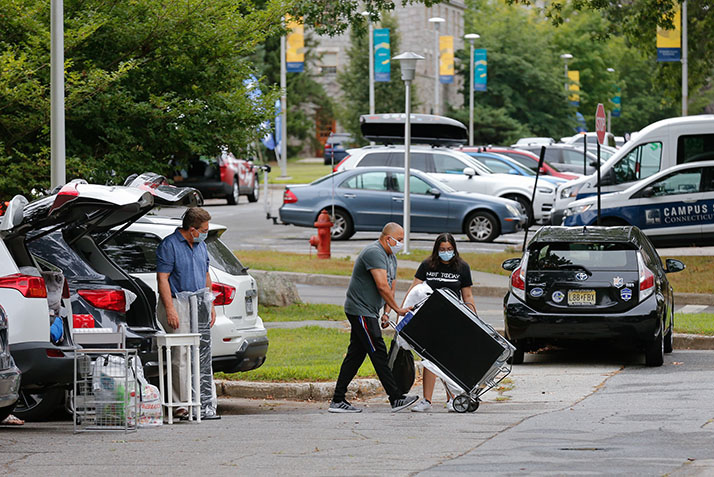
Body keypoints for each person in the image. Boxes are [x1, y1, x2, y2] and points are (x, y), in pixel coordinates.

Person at [329, 223, 419, 413]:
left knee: (355, 355)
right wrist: (399, 310)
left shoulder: (391, 257)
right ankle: (395, 398)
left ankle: (338, 400)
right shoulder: (374, 252)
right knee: (378, 351)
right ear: (389, 239)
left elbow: (391, 287)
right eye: (399, 240)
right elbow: (381, 286)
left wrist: (387, 312)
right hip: (359, 311)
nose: (400, 244)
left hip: (370, 311)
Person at [402, 233, 477, 413]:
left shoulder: (462, 267)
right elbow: (414, 289)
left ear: (454, 249)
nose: (446, 252)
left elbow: (467, 295)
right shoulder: (427, 266)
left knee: (449, 360)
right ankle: (427, 400)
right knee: (429, 358)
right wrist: (402, 312)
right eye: (442, 249)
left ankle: (452, 399)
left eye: (449, 249)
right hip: (429, 319)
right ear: (437, 249)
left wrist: (473, 315)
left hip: (452, 319)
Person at [156, 207, 216, 419]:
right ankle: (179, 404)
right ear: (192, 229)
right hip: (177, 302)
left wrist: (210, 304)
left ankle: (198, 400)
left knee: (197, 353)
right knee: (179, 354)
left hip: (197, 303)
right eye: (204, 229)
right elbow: (162, 278)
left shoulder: (200, 246)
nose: (205, 233)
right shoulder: (170, 245)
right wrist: (170, 309)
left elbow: (206, 274)